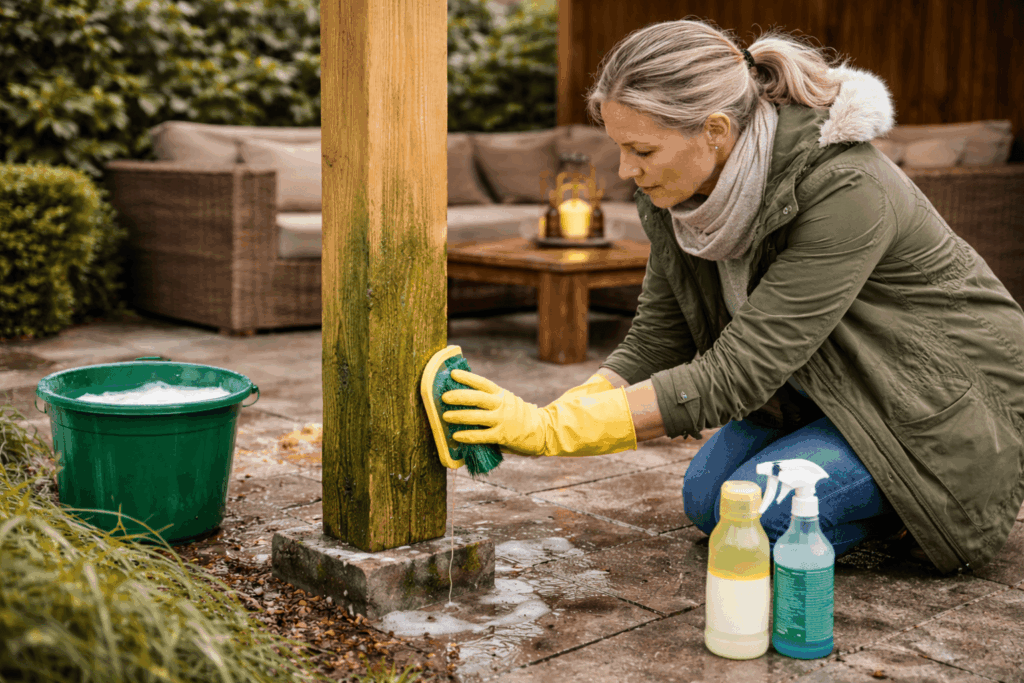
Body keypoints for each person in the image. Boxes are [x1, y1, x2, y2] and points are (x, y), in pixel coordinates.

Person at [440, 19, 1024, 574]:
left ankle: (919, 502)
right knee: (707, 501)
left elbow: (741, 371)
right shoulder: (680, 195)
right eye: (619, 147)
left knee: (759, 518)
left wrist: (553, 434)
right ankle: (852, 480)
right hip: (827, 390)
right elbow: (658, 337)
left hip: (933, 407)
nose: (624, 170)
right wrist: (560, 411)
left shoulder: (846, 186)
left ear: (716, 131)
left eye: (642, 150)